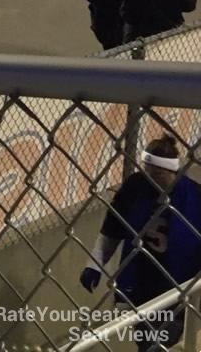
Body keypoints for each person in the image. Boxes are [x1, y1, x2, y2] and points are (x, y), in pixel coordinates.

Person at [81, 133, 201, 352]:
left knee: (161, 342)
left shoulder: (195, 197)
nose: (151, 179)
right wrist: (94, 264)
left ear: (174, 172)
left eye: (158, 174)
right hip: (141, 281)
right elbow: (111, 230)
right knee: (146, 339)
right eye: (147, 172)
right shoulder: (135, 188)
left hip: (177, 283)